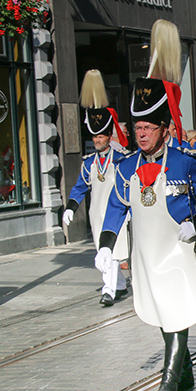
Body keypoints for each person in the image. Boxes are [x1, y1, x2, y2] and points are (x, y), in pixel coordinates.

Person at [97, 20, 196, 391]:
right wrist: (106, 244)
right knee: (161, 312)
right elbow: (116, 206)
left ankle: (169, 381)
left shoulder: (186, 162)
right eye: (138, 127)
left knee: (178, 309)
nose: (142, 133)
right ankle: (184, 375)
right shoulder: (124, 167)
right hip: (146, 256)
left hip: (179, 251)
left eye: (149, 127)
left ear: (165, 129)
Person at [63, 69, 130, 306]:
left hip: (118, 213)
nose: (98, 140)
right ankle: (119, 285)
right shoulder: (89, 163)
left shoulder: (122, 158)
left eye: (102, 136)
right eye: (95, 137)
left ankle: (108, 290)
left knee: (112, 252)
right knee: (104, 253)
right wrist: (71, 206)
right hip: (96, 214)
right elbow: (81, 186)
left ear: (109, 135)